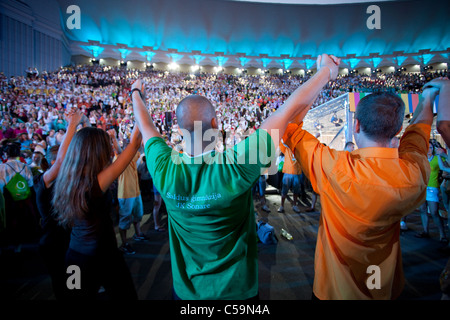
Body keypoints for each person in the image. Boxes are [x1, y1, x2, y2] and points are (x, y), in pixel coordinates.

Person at [131, 53, 340, 300]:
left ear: (178, 129)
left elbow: (145, 125)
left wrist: (136, 93)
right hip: (239, 292)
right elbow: (286, 112)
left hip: (187, 294)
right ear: (215, 123)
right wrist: (326, 71)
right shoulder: (236, 164)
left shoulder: (164, 168)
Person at [280, 56, 440, 299]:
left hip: (332, 290)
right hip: (384, 291)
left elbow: (288, 122)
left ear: (355, 126)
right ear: (397, 130)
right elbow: (417, 136)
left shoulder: (335, 167)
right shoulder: (413, 174)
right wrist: (428, 97)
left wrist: (324, 74)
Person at [51, 124, 142, 300]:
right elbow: (134, 144)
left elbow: (61, 156)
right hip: (105, 258)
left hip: (75, 258)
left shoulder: (67, 177)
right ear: (98, 152)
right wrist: (139, 99)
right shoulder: (96, 183)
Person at [33, 108, 82, 300]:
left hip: (69, 240)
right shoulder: (43, 181)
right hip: (55, 242)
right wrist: (72, 125)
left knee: (74, 282)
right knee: (63, 285)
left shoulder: (64, 181)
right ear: (52, 161)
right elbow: (61, 162)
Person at [415, 142, 448, 243]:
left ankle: (442, 235)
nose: (428, 149)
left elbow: (447, 162)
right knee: (422, 209)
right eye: (427, 148)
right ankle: (425, 231)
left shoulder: (436, 159)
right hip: (422, 187)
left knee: (434, 212)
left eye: (430, 147)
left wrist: (442, 154)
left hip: (432, 188)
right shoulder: (422, 159)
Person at [278, 140, 303, 213]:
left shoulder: (300, 150)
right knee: (284, 190)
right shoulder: (287, 149)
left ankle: (295, 205)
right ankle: (281, 206)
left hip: (297, 173)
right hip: (288, 173)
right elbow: (281, 143)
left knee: (296, 191)